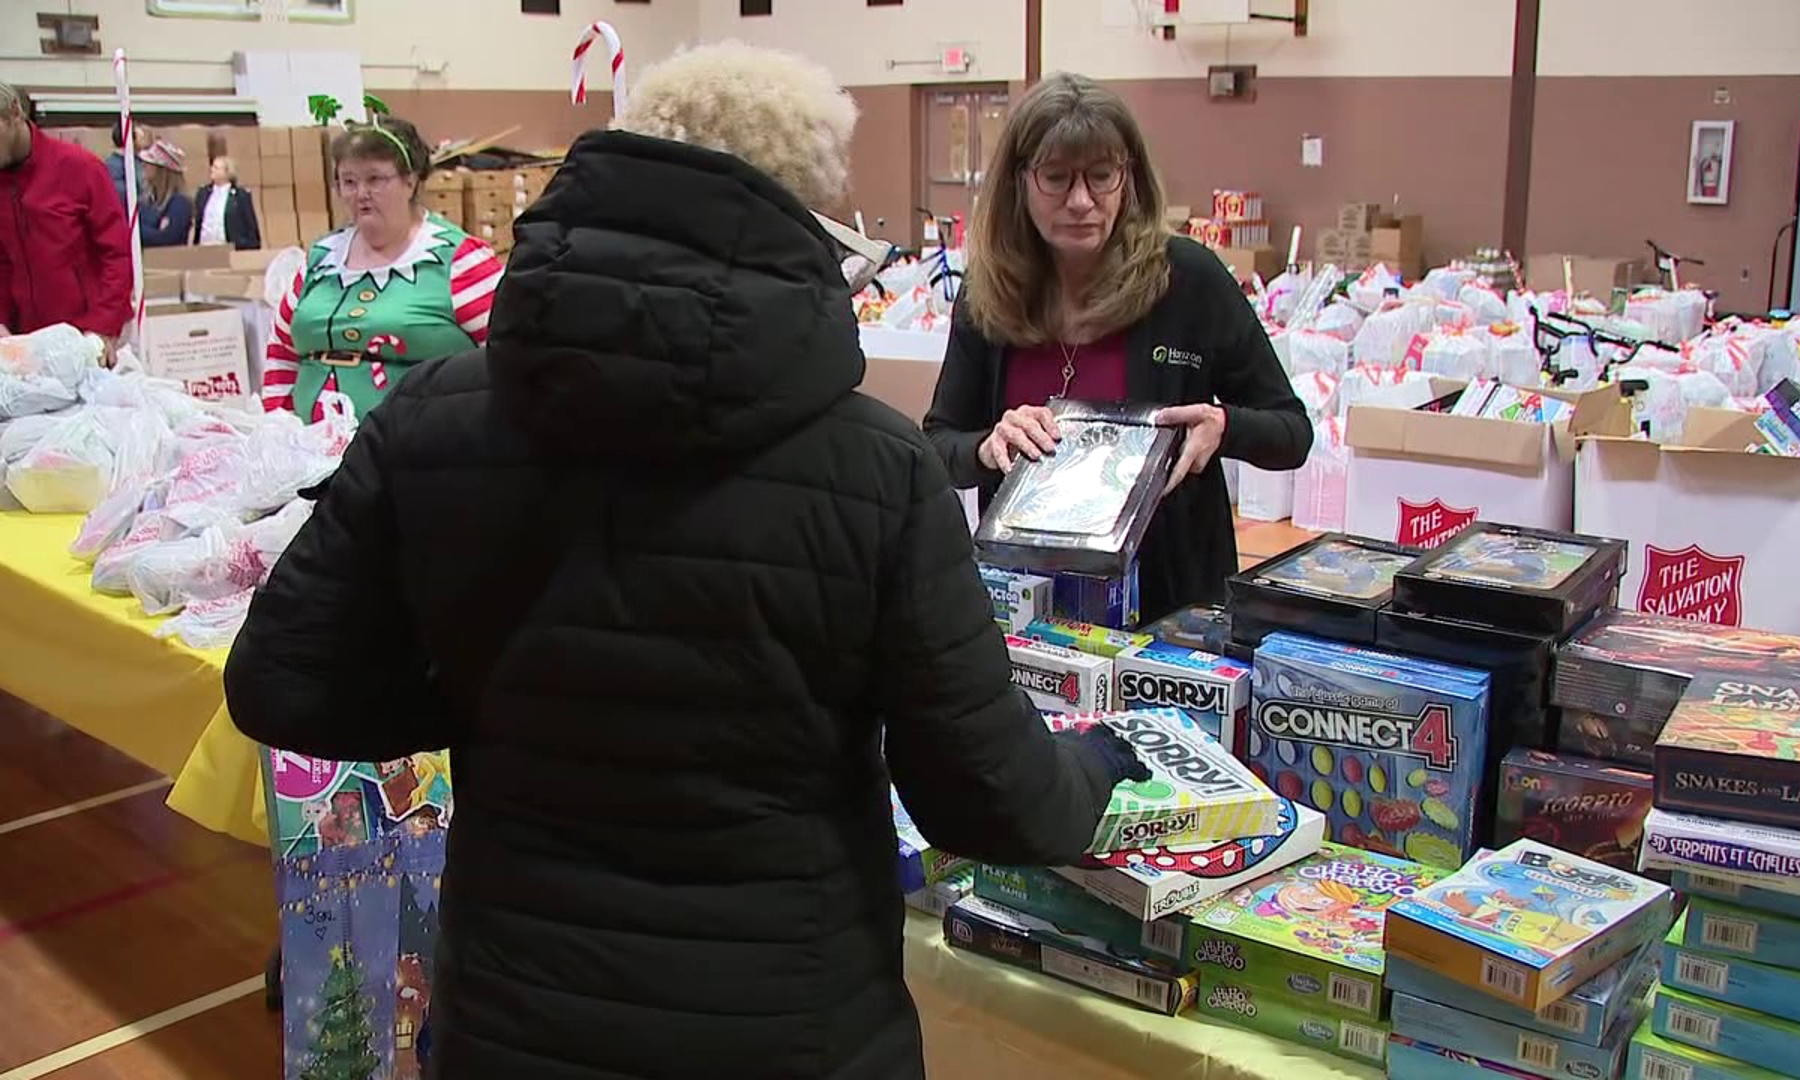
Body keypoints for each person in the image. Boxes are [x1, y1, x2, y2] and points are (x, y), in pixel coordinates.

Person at [224, 42, 1142, 1080]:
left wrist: (488, 697)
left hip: (519, 1023)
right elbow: (992, 798)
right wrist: (1102, 765)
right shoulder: (876, 470)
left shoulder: (434, 421)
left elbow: (281, 678)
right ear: (800, 218)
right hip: (789, 1029)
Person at [923, 73, 1313, 625]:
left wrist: (1224, 427)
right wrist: (988, 447)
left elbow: (1293, 433)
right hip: (1025, 614)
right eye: (1056, 178)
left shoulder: (1189, 280)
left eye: (1101, 176)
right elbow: (938, 445)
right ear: (1019, 182)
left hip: (1168, 616)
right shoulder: (987, 295)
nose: (1081, 201)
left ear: (1128, 178)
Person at [262, 113, 502, 422]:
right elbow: (282, 352)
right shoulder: (320, 260)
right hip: (311, 454)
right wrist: (277, 428)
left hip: (423, 455)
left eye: (375, 179)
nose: (361, 193)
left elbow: (510, 358)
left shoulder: (461, 261)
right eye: (348, 181)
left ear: (410, 181)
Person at [0, 80, 132, 343]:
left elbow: (117, 254)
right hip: (23, 342)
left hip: (88, 335)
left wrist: (103, 326)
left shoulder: (79, 168)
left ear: (15, 113)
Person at [190, 156, 261, 249]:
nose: (212, 169)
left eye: (216, 168)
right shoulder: (203, 193)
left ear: (228, 172)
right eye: (212, 167)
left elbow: (250, 224)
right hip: (204, 246)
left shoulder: (241, 196)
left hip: (229, 248)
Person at [136, 139, 193, 247]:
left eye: (149, 163)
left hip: (169, 261)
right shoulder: (147, 199)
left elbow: (167, 238)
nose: (143, 166)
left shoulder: (180, 203)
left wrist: (135, 229)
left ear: (161, 170)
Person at [103, 121, 149, 207]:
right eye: (139, 134)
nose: (143, 135)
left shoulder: (139, 161)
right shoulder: (113, 165)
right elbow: (121, 195)